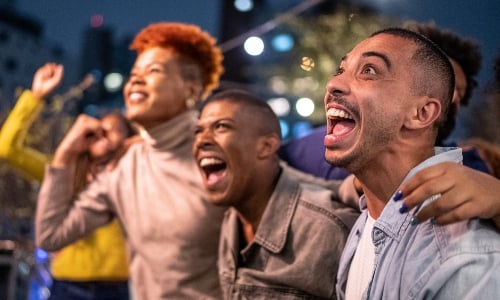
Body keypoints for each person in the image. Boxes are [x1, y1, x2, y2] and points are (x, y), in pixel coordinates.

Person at [35, 22, 226, 299]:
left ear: (191, 90)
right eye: (134, 73)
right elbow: (51, 235)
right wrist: (65, 155)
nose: (135, 80)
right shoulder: (125, 166)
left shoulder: (221, 155)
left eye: (154, 71)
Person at [325, 27, 500, 299]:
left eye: (369, 70)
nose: (332, 84)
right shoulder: (366, 220)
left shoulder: (462, 257)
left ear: (423, 113)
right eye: (341, 70)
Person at [193, 89, 359, 299]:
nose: (201, 140)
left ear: (266, 146)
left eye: (221, 127)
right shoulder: (232, 219)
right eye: (198, 131)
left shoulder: (326, 230)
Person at [279, 21, 489, 178]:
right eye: (444, 82)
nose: (333, 84)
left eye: (457, 92)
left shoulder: (469, 171)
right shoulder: (319, 146)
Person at [0, 63, 132, 300]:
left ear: (127, 138)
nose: (104, 131)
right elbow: (7, 149)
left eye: (115, 129)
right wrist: (36, 96)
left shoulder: (134, 175)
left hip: (118, 289)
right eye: (99, 127)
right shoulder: (64, 174)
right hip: (68, 288)